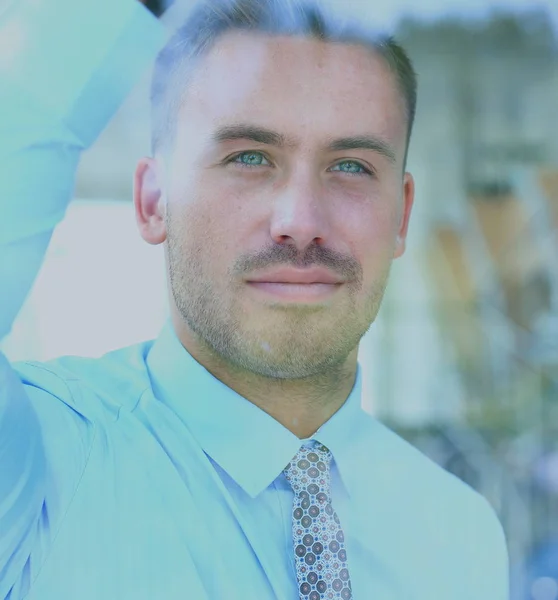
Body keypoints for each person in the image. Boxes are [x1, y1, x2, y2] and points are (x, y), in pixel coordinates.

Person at [0, 0, 509, 598]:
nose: (300, 221)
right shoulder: (42, 462)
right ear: (151, 201)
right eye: (248, 157)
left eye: (350, 165)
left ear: (402, 215)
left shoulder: (461, 531)